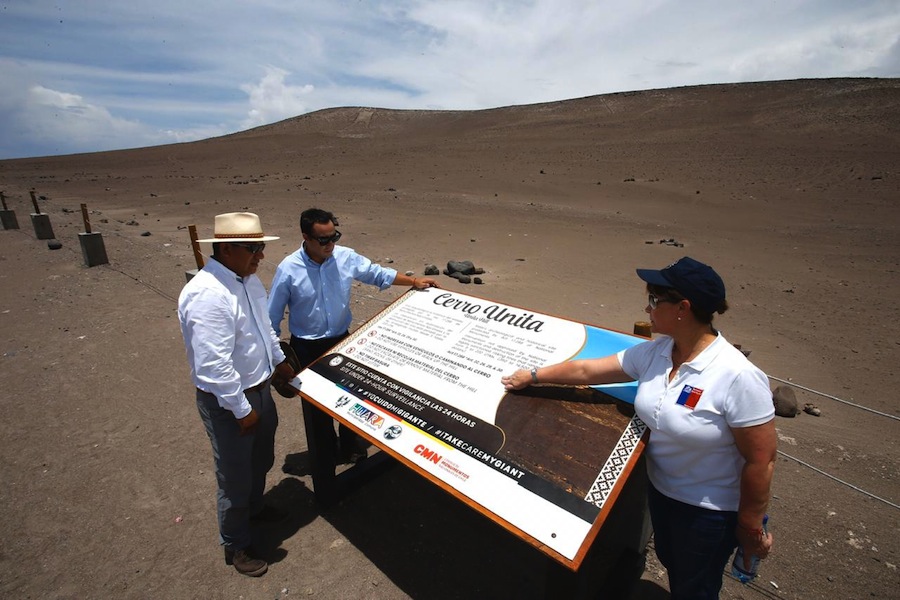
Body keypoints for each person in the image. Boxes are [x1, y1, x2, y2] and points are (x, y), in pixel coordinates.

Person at [501, 256, 776, 599]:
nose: (647, 310)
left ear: (682, 308)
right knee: (675, 565)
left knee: (695, 586)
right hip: (662, 494)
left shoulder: (738, 376)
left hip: (708, 513)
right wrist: (534, 376)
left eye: (653, 301)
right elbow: (588, 372)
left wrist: (750, 527)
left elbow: (761, 460)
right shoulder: (658, 352)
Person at [268, 207, 439, 468]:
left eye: (334, 236)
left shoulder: (346, 257)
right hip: (306, 347)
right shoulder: (289, 269)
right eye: (323, 239)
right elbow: (272, 317)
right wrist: (277, 360)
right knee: (317, 409)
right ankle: (324, 456)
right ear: (306, 237)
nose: (330, 244)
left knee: (351, 398)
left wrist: (413, 281)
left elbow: (377, 273)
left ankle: (350, 445)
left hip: (341, 343)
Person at [178, 212, 296, 577]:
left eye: (261, 247)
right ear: (226, 249)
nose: (260, 256)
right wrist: (243, 411)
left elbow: (264, 329)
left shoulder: (249, 281)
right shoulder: (207, 295)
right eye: (254, 249)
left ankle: (256, 507)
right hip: (230, 402)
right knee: (234, 475)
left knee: (260, 460)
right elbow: (214, 365)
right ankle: (236, 544)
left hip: (259, 389)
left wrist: (279, 363)